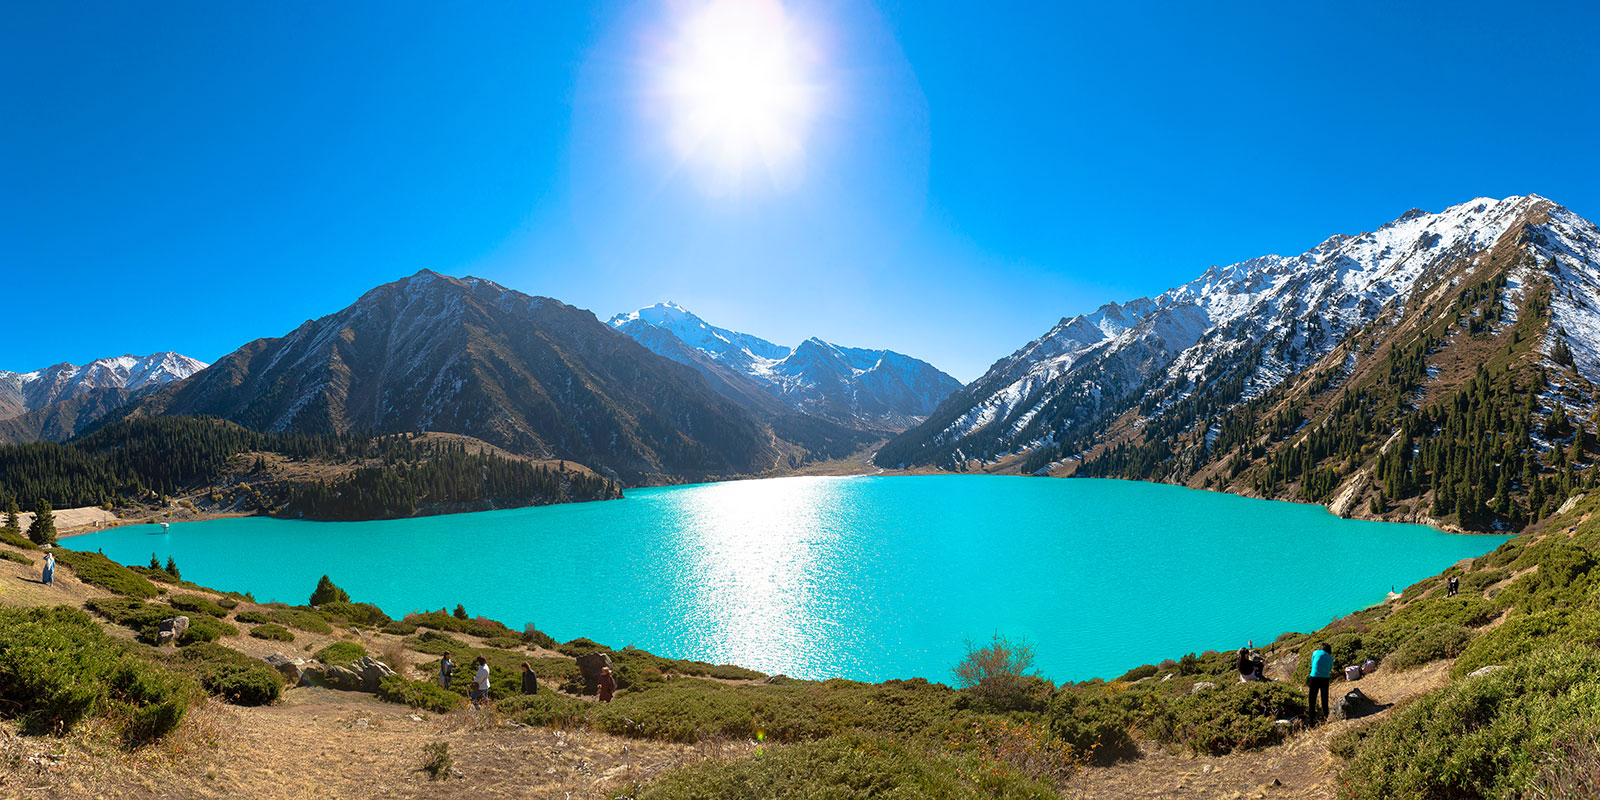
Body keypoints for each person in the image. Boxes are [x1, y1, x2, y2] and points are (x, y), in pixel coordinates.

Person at [1307, 643, 1333, 724]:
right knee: (1324, 699)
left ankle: (1311, 722)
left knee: (1312, 700)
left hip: (1314, 678)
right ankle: (1326, 718)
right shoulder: (1330, 657)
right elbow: (1330, 669)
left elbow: (1312, 664)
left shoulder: (1315, 652)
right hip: (1325, 679)